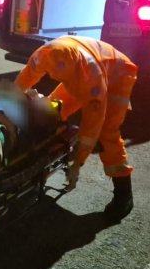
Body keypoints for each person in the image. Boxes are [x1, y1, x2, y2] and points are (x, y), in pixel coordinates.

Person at [15, 35, 138, 222]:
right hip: (83, 72)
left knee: (106, 133)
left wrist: (78, 164)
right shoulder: (44, 55)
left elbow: (92, 125)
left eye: (62, 74)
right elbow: (27, 77)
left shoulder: (91, 75)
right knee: (51, 111)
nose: (55, 76)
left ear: (73, 68)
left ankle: (124, 196)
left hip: (118, 75)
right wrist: (11, 95)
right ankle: (39, 164)